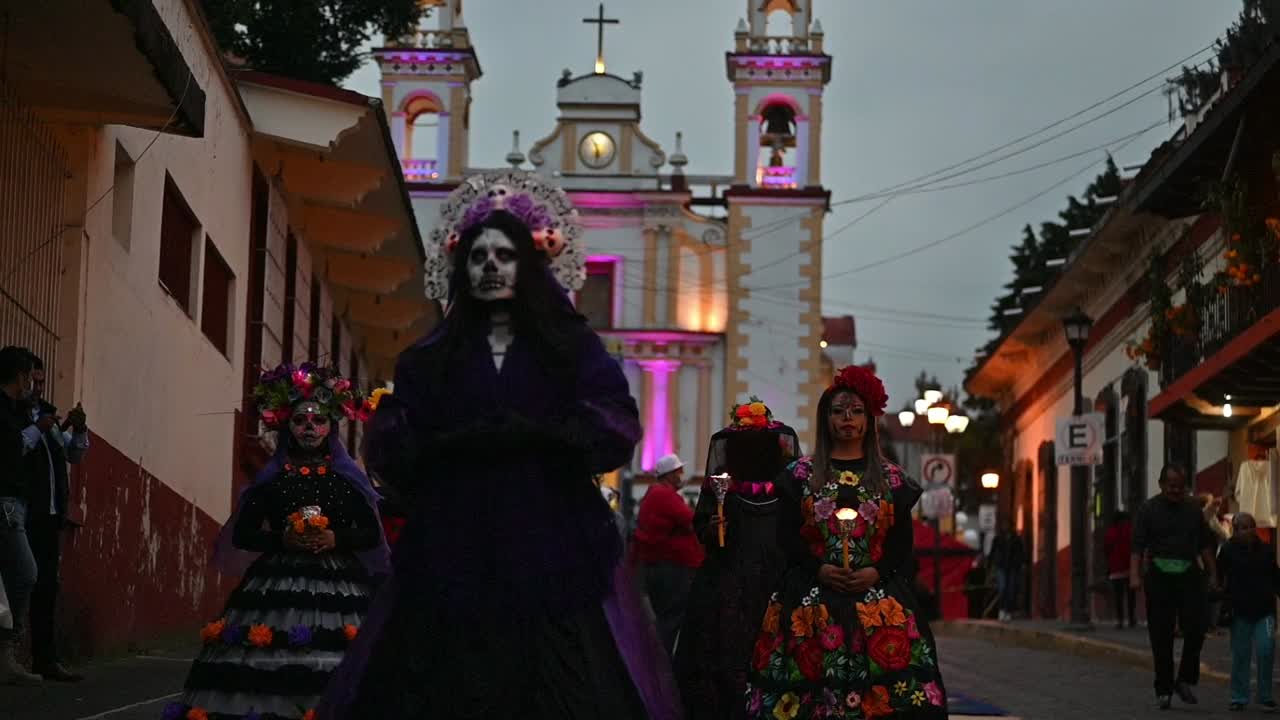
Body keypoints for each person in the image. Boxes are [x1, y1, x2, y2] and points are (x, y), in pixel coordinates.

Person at [317, 172, 679, 719]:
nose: (490, 266)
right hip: (455, 536)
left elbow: (615, 419)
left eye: (504, 255)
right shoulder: (433, 357)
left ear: (526, 267)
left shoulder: (567, 347)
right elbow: (396, 436)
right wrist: (444, 445)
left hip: (548, 537)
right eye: (479, 255)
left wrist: (549, 435)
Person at [162, 364, 388, 720]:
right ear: (287, 426)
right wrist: (282, 538)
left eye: (317, 421)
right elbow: (243, 533)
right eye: (300, 421)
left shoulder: (346, 483)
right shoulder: (272, 483)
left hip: (340, 583)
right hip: (275, 583)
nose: (309, 428)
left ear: (331, 427)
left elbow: (371, 533)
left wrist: (335, 538)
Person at [745, 365, 946, 719]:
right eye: (838, 412)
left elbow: (902, 543)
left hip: (879, 601)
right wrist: (819, 569)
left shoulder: (892, 479)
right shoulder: (800, 476)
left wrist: (876, 573)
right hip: (810, 600)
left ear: (869, 420)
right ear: (825, 419)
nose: (847, 419)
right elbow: (786, 537)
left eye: (856, 411)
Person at [674, 398, 800, 719]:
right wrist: (713, 528)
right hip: (728, 582)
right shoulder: (722, 486)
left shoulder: (786, 485)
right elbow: (703, 526)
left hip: (776, 583)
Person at [24, 352, 90, 682]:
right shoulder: (13, 414)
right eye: (32, 381)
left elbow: (73, 454)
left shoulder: (47, 415)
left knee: (47, 586)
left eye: (40, 381)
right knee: (20, 582)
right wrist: (37, 427)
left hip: (50, 516)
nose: (37, 387)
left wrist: (79, 430)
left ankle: (44, 659)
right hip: (21, 513)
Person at [1132, 463, 1219, 711]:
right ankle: (1163, 689)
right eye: (1171, 486)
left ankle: (1184, 679)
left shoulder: (1193, 510)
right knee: (1161, 635)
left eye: (1180, 487)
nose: (1175, 491)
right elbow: (1137, 546)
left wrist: (1213, 574)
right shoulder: (1148, 509)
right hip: (1159, 576)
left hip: (1189, 574)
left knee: (1197, 627)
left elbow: (1204, 545)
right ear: (1161, 485)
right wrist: (1134, 576)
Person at [0, 346, 45, 685]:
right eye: (30, 375)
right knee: (25, 572)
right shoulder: (4, 411)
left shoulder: (19, 410)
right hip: (5, 502)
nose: (32, 382)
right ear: (19, 376)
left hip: (17, 503)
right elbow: (10, 447)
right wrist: (37, 429)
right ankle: (6, 653)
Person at [634, 452, 704, 656]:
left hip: (663, 566)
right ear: (669, 475)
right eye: (678, 471)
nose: (682, 475)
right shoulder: (664, 496)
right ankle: (660, 665)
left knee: (668, 619)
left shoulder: (656, 494)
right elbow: (691, 520)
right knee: (670, 620)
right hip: (672, 569)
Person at [1218, 512, 1280, 712]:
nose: (1246, 531)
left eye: (1249, 526)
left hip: (1265, 611)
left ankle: (1265, 696)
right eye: (1241, 528)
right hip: (1239, 611)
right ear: (1234, 531)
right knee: (1241, 655)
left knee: (1266, 649)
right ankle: (1239, 697)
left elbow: (1276, 577)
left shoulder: (1266, 551)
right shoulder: (1227, 551)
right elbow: (1218, 578)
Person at [987, 520, 1025, 623]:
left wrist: (1020, 563)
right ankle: (1002, 610)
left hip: (1012, 567)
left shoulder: (1016, 539)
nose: (1006, 527)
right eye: (1004, 525)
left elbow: (1020, 553)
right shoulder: (998, 539)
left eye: (1007, 525)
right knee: (1003, 588)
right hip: (1001, 567)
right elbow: (993, 553)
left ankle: (1008, 611)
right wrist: (991, 566)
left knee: (1011, 590)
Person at [1105, 511, 1136, 629]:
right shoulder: (1131, 530)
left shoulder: (1111, 531)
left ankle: (1120, 620)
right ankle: (1132, 619)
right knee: (1130, 596)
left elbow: (1107, 548)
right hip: (1129, 567)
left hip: (1116, 568)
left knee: (1118, 596)